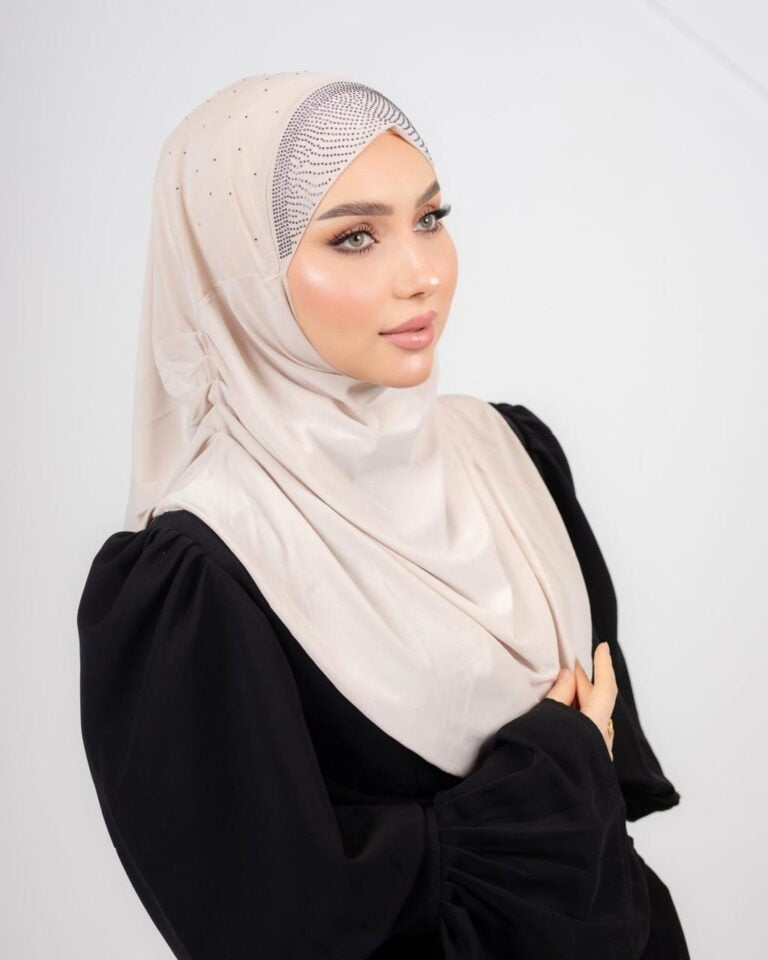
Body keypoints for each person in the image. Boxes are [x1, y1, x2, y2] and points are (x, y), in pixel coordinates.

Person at [77, 70, 690, 959]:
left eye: (431, 219)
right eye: (355, 237)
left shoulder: (514, 454)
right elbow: (268, 922)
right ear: (238, 273)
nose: (421, 275)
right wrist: (554, 770)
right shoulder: (198, 573)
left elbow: (608, 807)